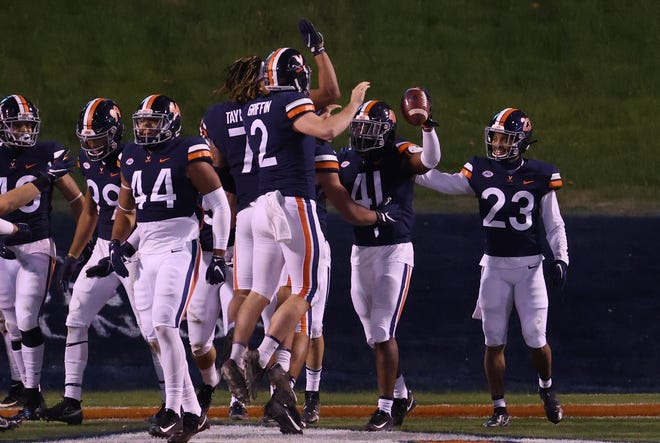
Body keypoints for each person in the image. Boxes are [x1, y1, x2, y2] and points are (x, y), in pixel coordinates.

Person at [220, 46, 373, 435]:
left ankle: (237, 356)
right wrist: (354, 104)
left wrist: (322, 55)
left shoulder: (262, 106)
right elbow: (326, 130)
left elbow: (311, 117)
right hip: (292, 202)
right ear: (297, 79)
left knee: (260, 290)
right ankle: (262, 357)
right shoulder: (290, 103)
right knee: (307, 288)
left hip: (263, 203)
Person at [415, 107, 568, 426]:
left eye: (504, 138)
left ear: (521, 141)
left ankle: (546, 387)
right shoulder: (480, 169)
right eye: (495, 137)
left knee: (536, 339)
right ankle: (499, 407)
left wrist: (561, 258)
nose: (497, 144)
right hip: (494, 268)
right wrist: (408, 165)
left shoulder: (541, 174)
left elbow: (554, 225)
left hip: (529, 269)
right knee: (493, 340)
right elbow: (443, 183)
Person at [104, 94, 231, 442]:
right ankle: (193, 412)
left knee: (165, 325)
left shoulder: (188, 152)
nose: (145, 128)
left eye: (152, 121)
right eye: (141, 121)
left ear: (171, 123)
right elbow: (129, 212)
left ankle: (173, 410)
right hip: (147, 253)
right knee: (154, 334)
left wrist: (218, 255)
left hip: (180, 247)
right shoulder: (130, 155)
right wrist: (118, 244)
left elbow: (220, 207)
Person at [37, 98, 164, 425]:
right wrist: (75, 255)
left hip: (135, 248)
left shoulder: (133, 158)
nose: (92, 147)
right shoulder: (86, 161)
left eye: (97, 139)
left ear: (114, 133)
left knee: (153, 330)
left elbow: (139, 210)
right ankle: (71, 401)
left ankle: (174, 403)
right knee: (76, 316)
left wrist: (122, 249)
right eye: (87, 140)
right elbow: (92, 209)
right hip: (104, 247)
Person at [336, 96, 441, 431]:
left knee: (383, 329)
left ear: (386, 131)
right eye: (359, 127)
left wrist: (427, 128)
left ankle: (384, 407)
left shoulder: (398, 152)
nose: (362, 134)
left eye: (369, 128)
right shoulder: (346, 158)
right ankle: (402, 394)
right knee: (373, 335)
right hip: (361, 251)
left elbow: (429, 160)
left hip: (394, 251)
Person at [0, 94, 83, 421]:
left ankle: (33, 394)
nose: (23, 130)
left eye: (27, 124)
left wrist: (84, 239)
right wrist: (43, 177)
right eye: (17, 124)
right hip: (4, 246)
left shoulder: (47, 152)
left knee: (25, 317)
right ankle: (24, 389)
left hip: (35, 244)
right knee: (9, 320)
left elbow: (77, 199)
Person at [195, 55, 264, 422]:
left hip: (228, 223)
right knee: (286, 303)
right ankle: (231, 384)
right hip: (264, 210)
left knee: (234, 310)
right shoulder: (274, 108)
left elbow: (216, 174)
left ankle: (231, 386)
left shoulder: (215, 117)